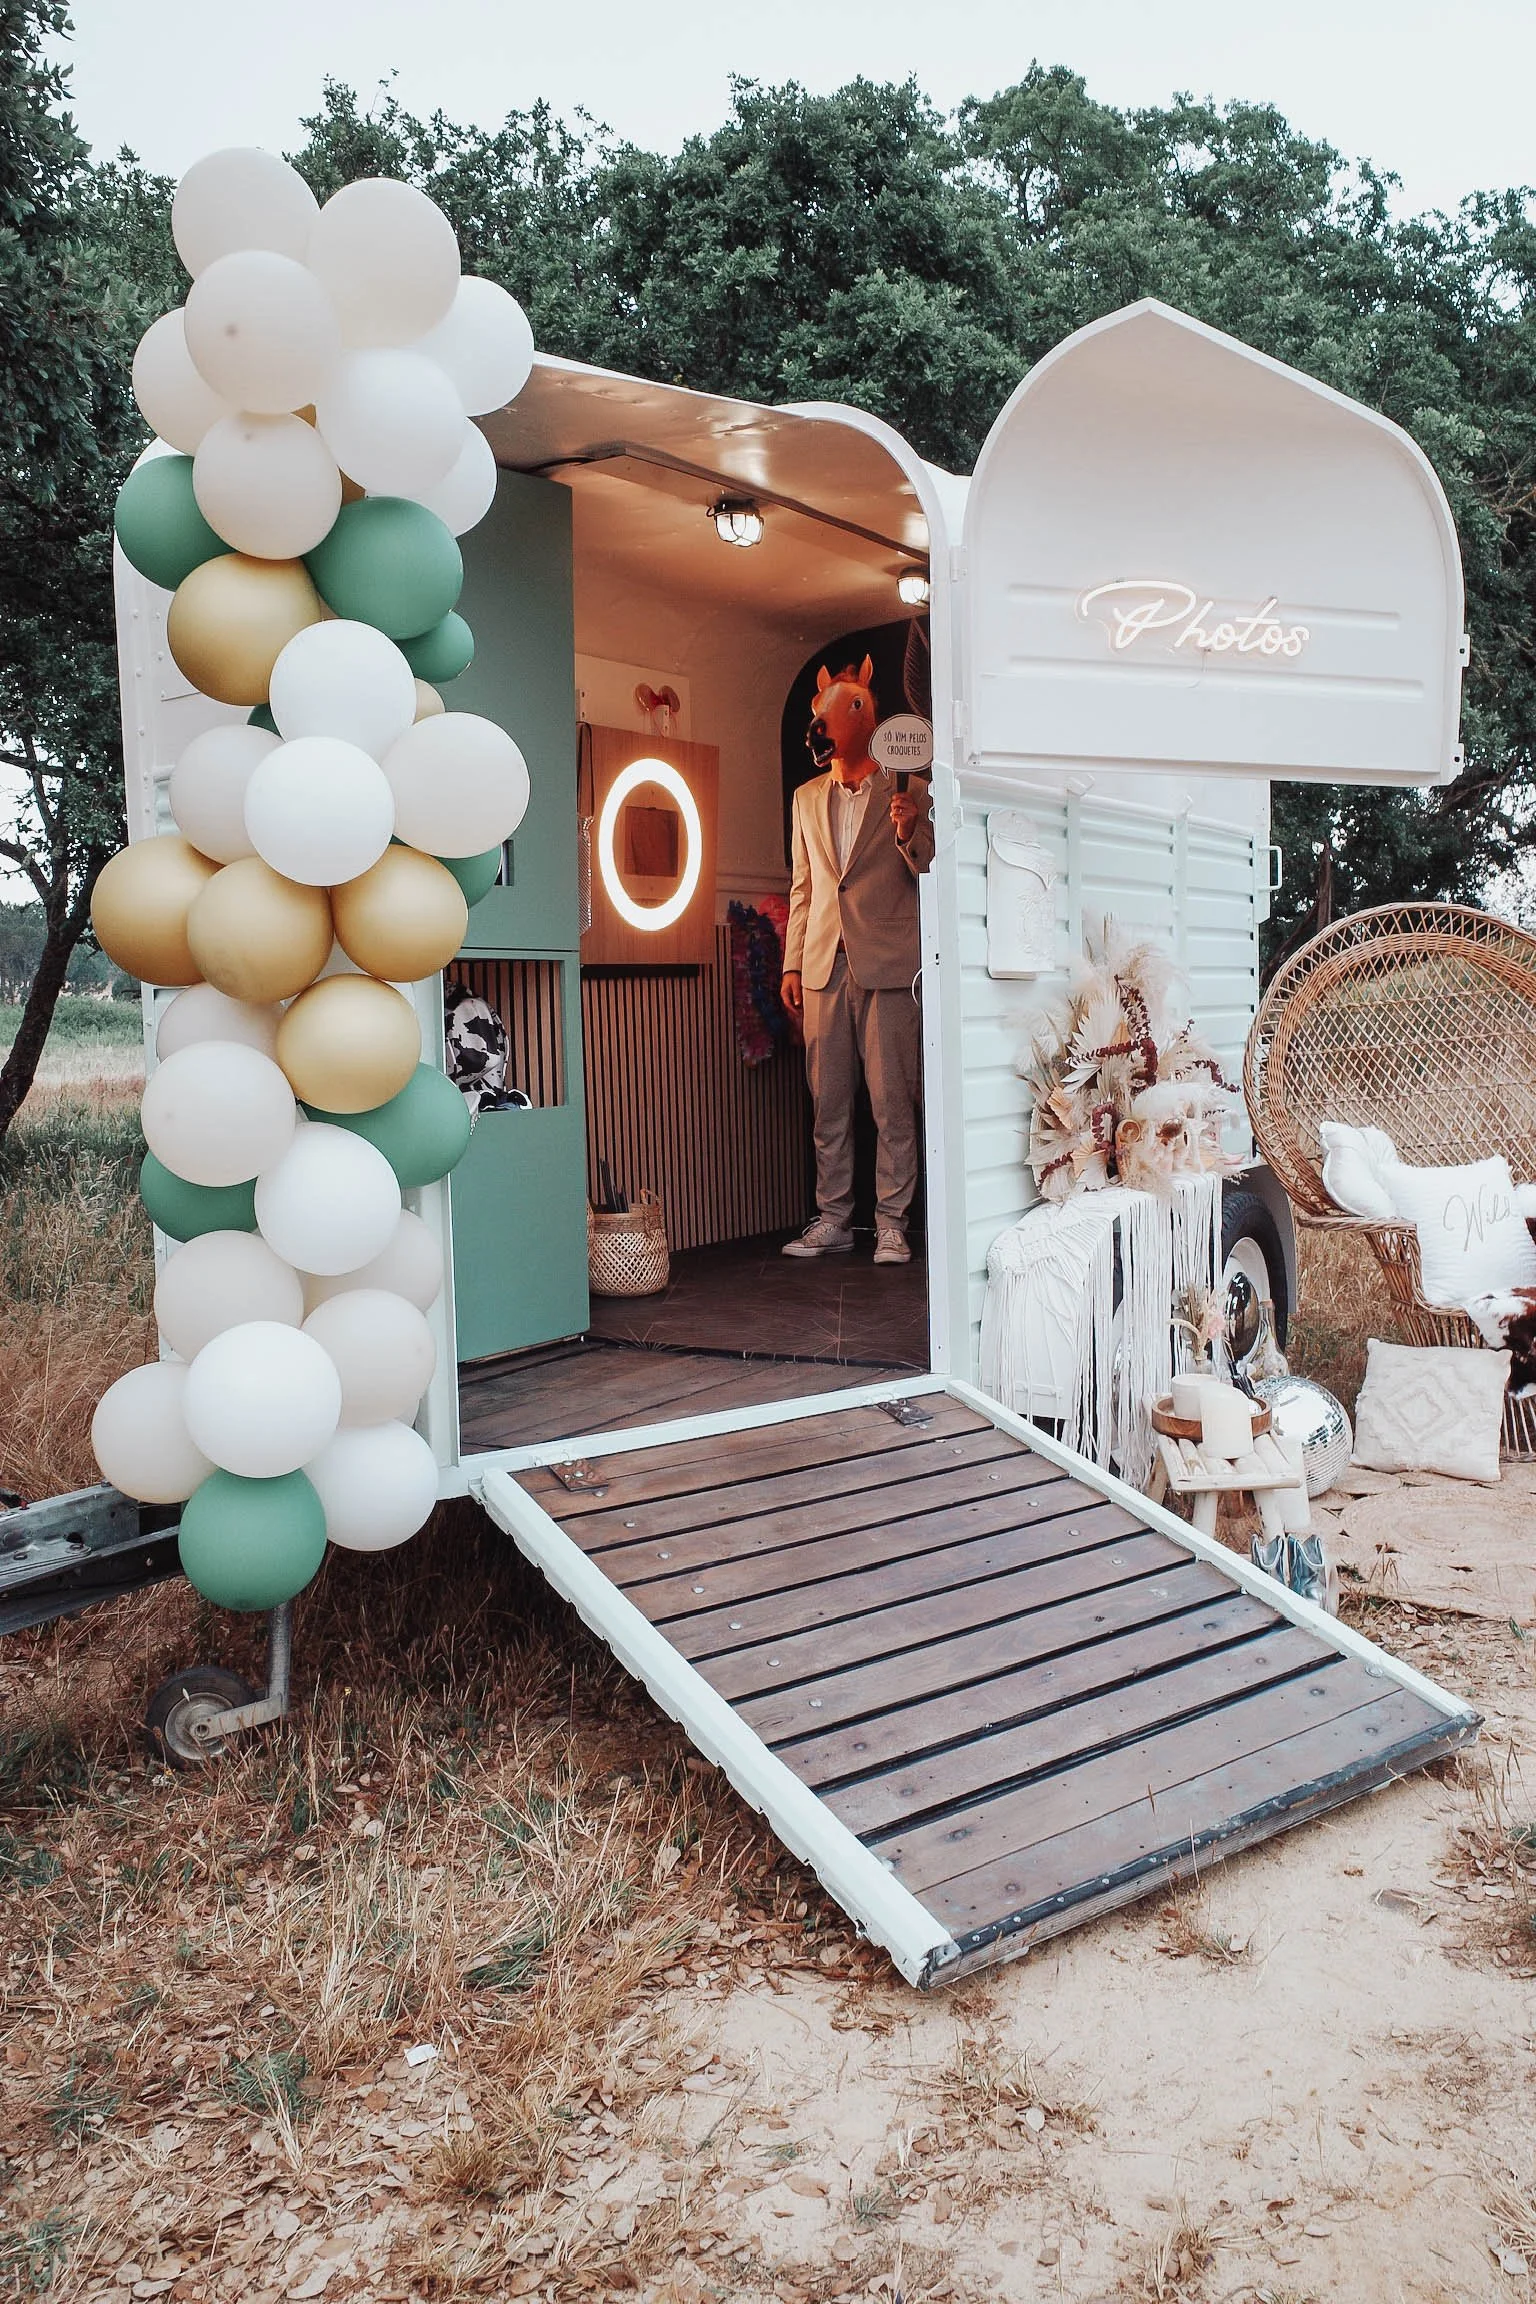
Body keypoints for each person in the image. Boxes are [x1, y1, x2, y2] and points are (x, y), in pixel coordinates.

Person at [780, 657, 933, 1265]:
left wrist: (910, 831)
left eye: (835, 713)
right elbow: (803, 888)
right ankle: (834, 1218)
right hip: (824, 966)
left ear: (864, 716)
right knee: (829, 1103)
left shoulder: (909, 789)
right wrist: (793, 963)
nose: (823, 725)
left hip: (890, 964)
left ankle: (892, 1223)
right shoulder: (805, 798)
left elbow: (930, 870)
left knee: (892, 1102)